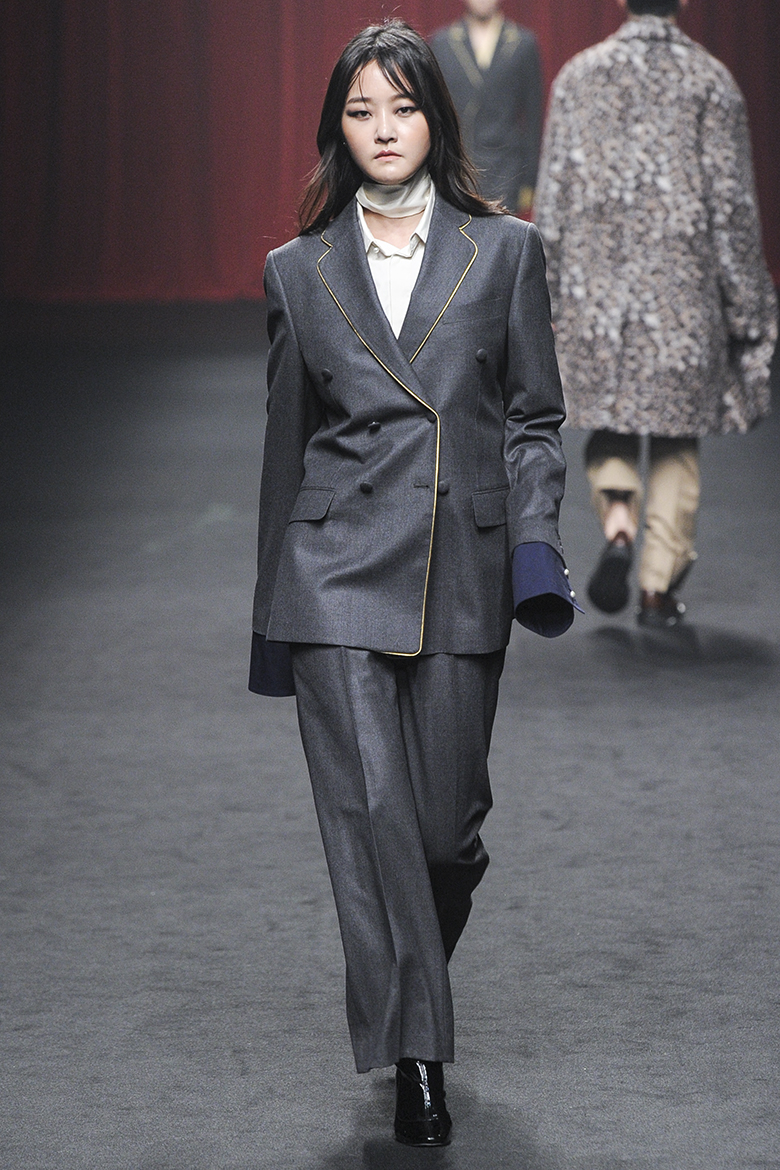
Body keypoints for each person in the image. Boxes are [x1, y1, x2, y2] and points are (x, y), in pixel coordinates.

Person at [249, 19, 578, 1146]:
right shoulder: (298, 272)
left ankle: (412, 969)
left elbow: (535, 419)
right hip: (334, 571)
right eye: (360, 112)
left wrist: (534, 542)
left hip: (463, 568)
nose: (383, 130)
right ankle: (417, 1058)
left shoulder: (507, 252)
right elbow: (285, 447)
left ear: (435, 117)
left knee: (444, 835)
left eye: (402, 107)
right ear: (336, 131)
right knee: (374, 821)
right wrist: (269, 621)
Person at [534, 0, 777, 627]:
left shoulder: (578, 77)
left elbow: (553, 201)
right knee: (675, 441)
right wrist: (749, 308)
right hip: (682, 297)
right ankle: (656, 588)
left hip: (596, 298)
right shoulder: (711, 82)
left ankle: (619, 525)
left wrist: (543, 295)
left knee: (610, 425)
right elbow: (732, 211)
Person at [430, 0, 542, 214]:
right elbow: (434, 114)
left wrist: (530, 180)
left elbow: (533, 117)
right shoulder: (442, 43)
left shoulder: (523, 43)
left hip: (508, 170)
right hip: (457, 167)